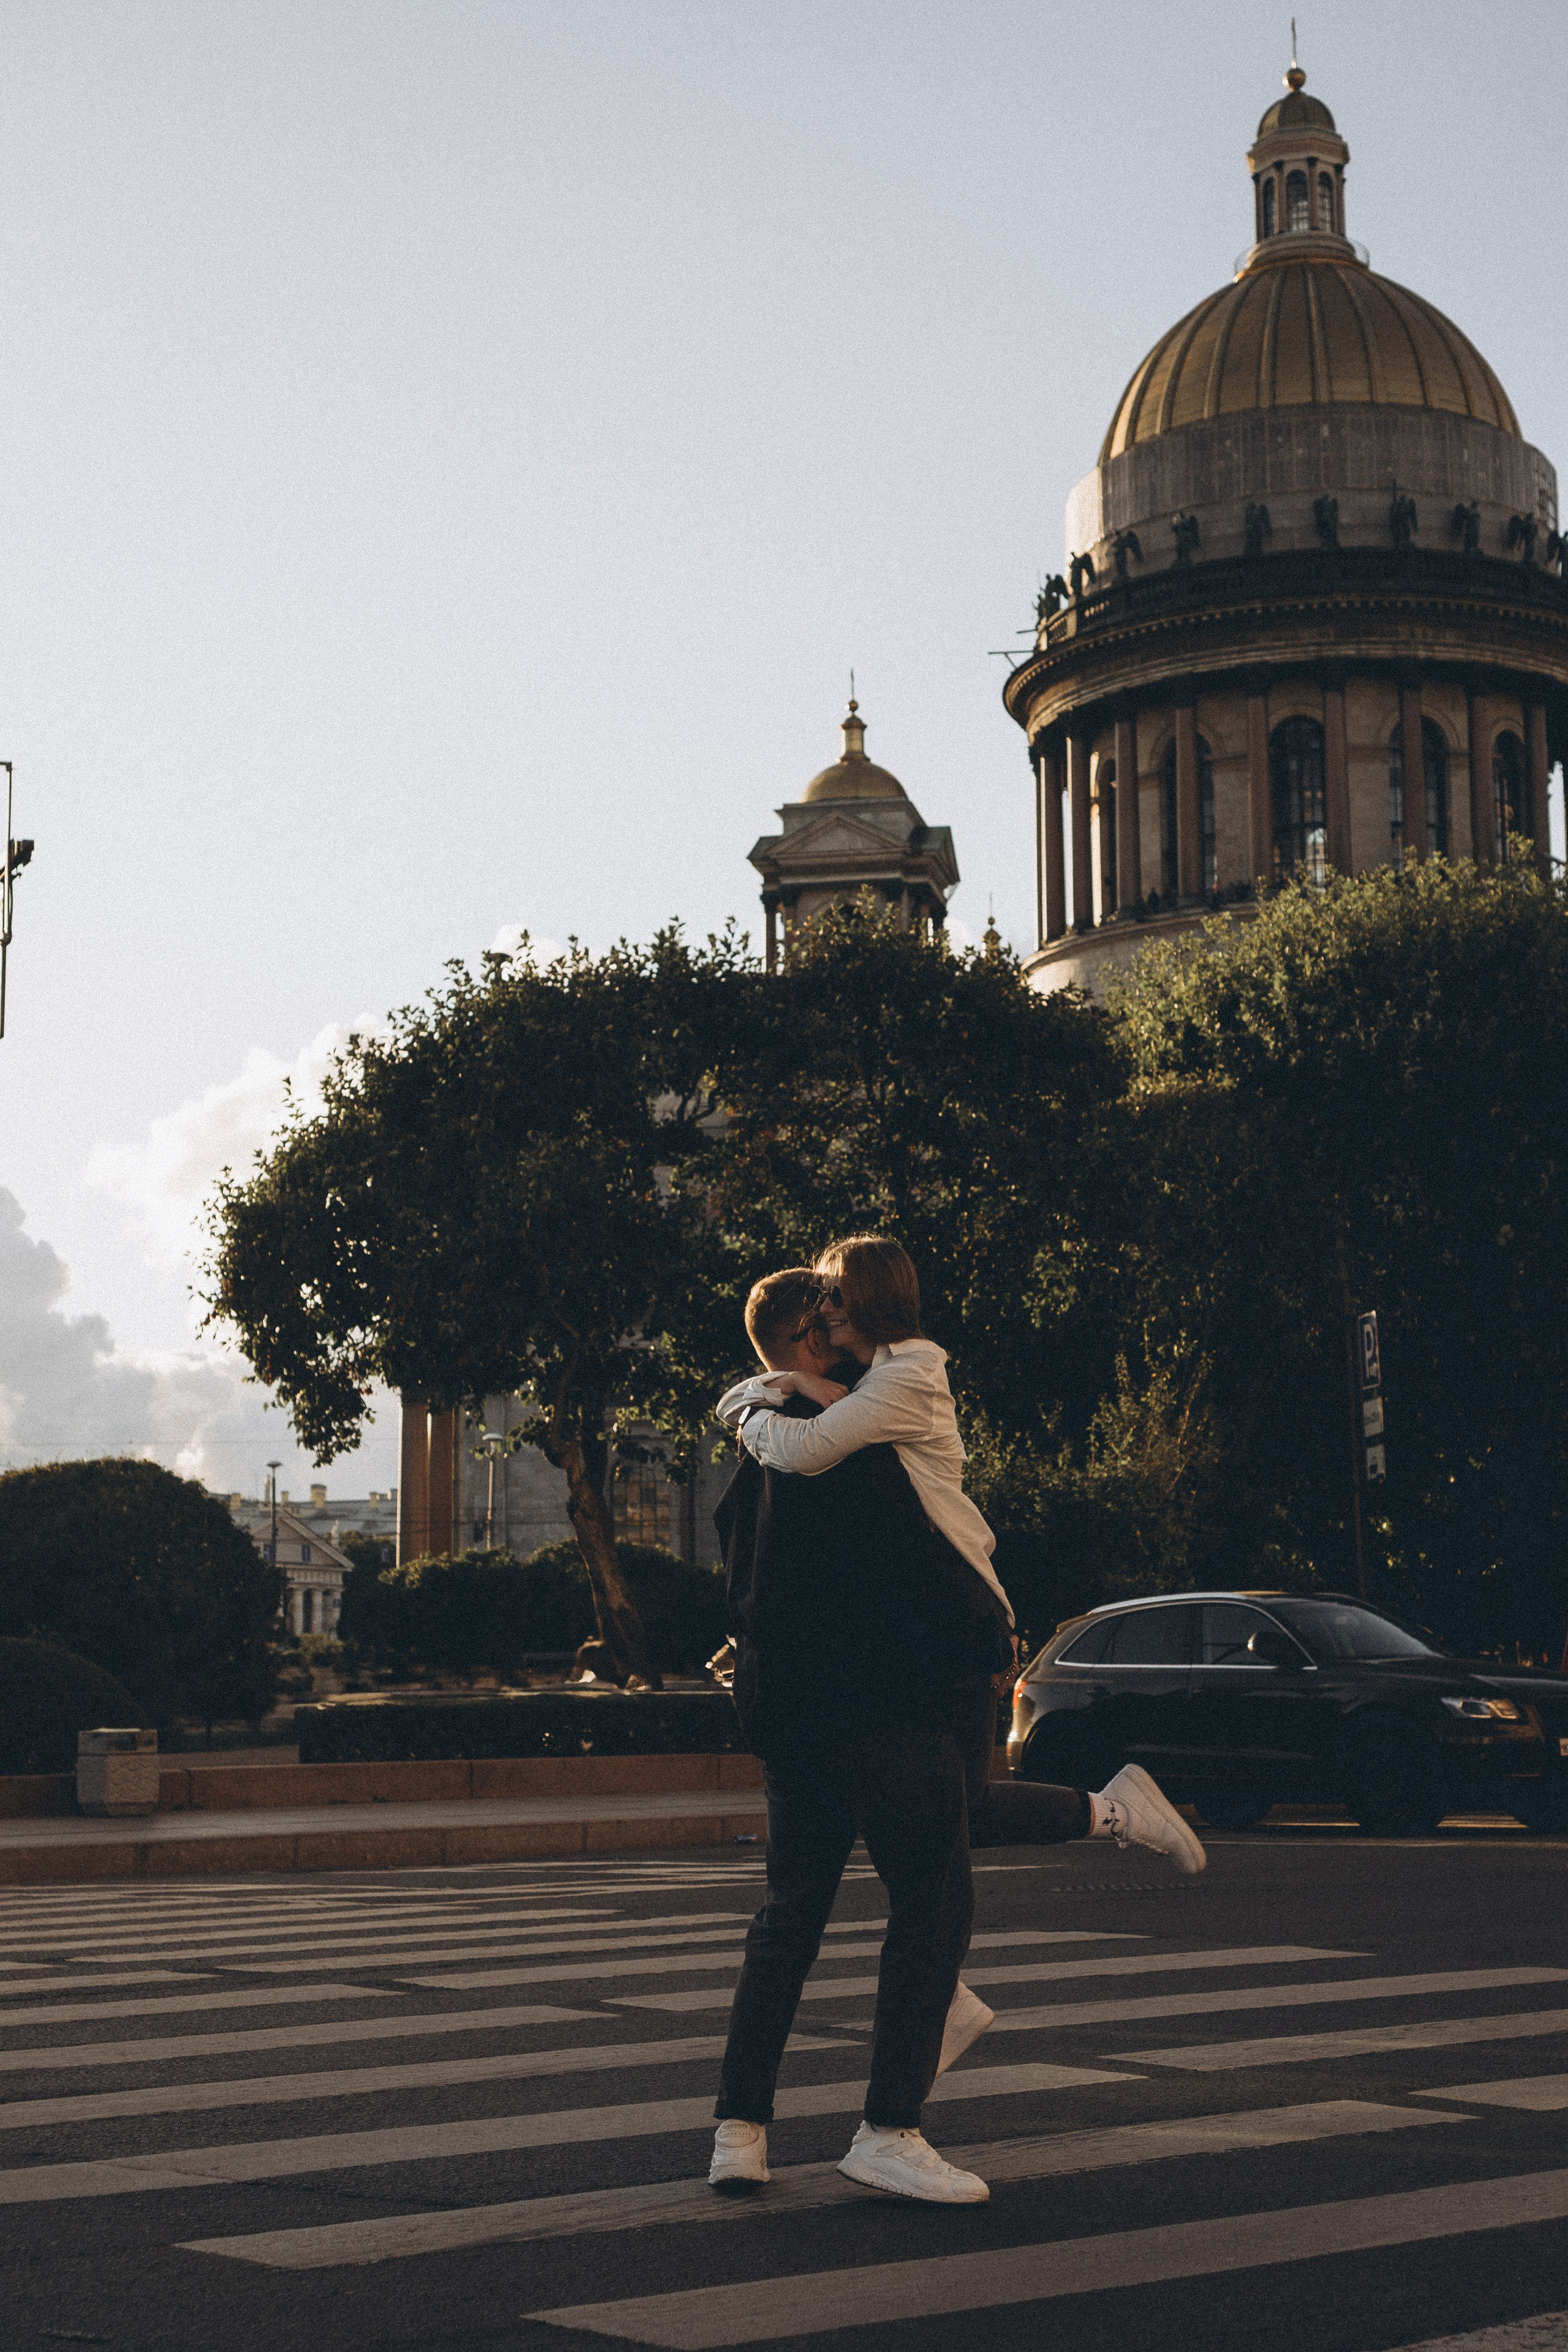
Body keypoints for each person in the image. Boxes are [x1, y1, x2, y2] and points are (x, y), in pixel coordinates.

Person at [706, 1256, 1200, 2207]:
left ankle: (740, 2130)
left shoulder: (765, 1450)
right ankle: (891, 2123)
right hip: (882, 1700)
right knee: (933, 1899)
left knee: (792, 1919)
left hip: (791, 1714)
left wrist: (758, 1399)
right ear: (817, 1334)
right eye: (839, 1318)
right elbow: (901, 1570)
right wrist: (976, 1647)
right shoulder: (844, 1441)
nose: (855, 1334)